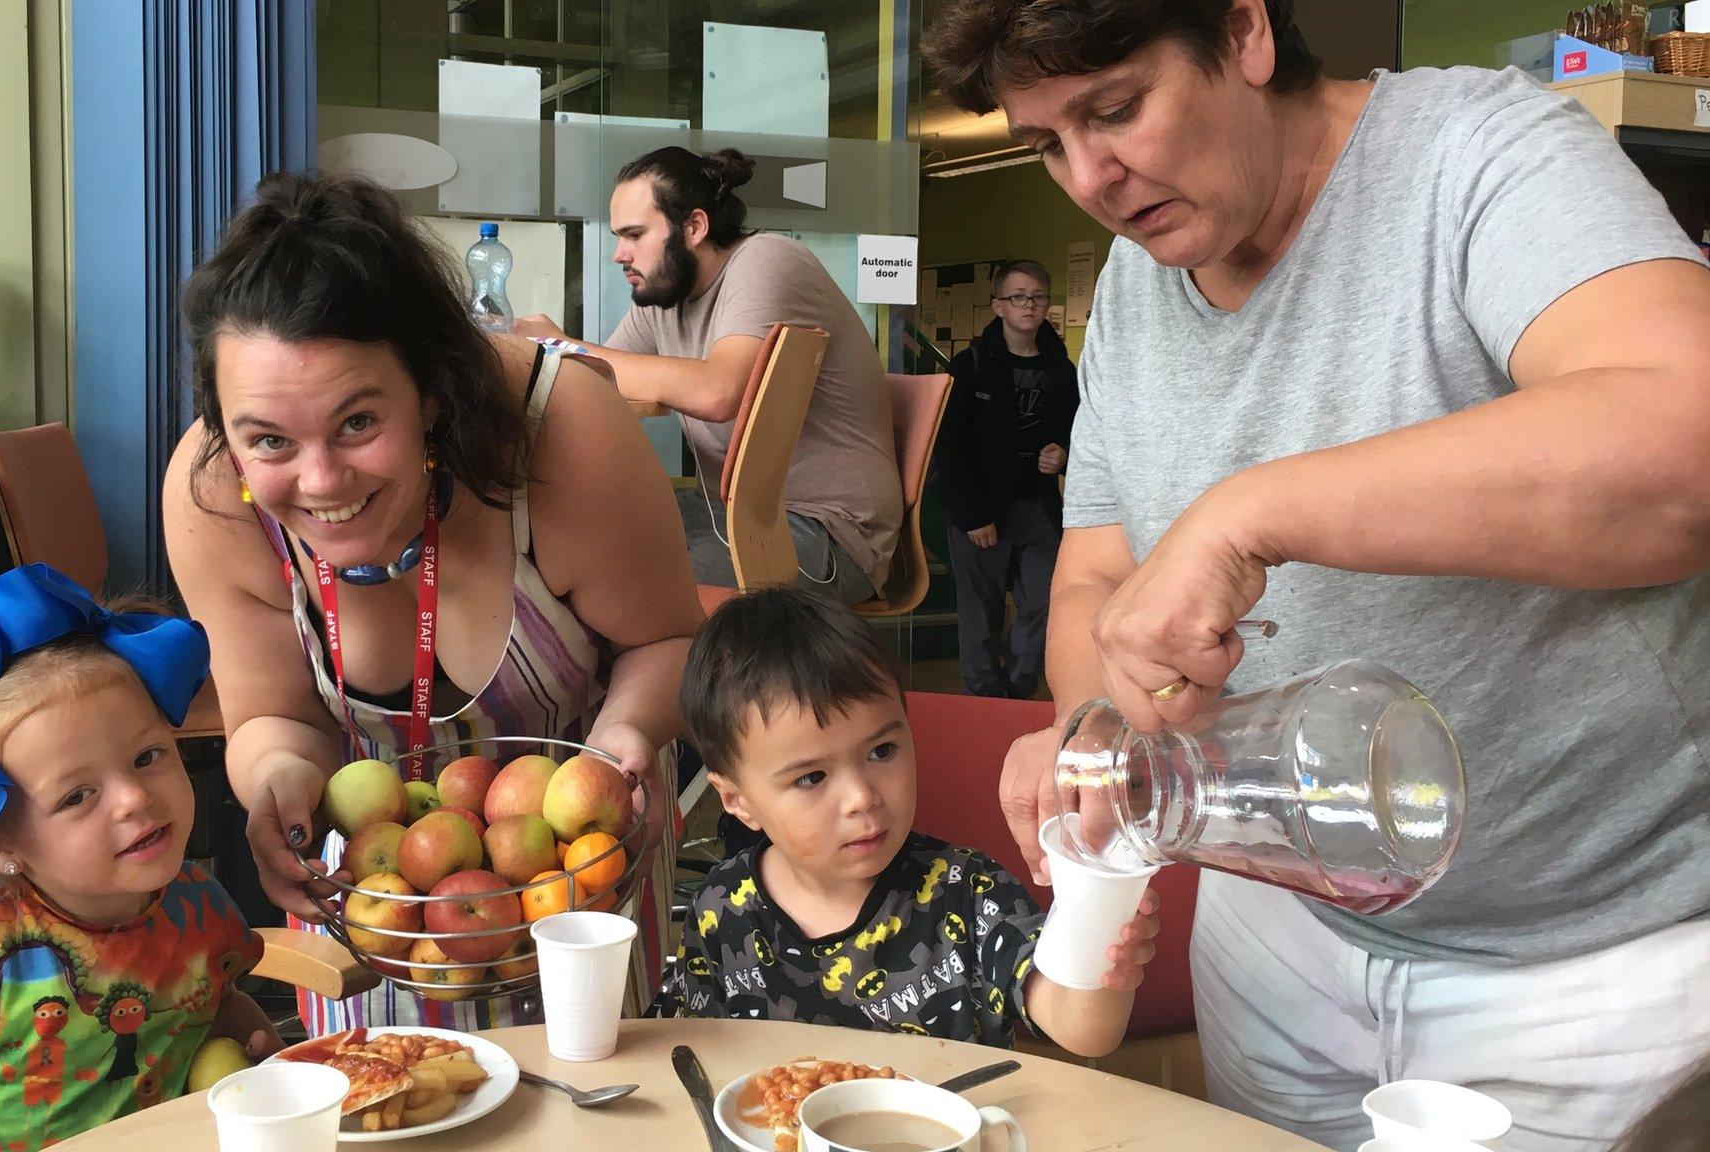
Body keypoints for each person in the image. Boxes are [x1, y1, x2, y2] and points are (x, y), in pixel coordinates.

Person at [926, 1, 1710, 1148]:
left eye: (1114, 108)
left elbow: (1682, 446)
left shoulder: (1473, 152)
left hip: (1578, 964)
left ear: (1243, 33)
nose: (1089, 177)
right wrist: (1094, 718)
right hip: (1281, 924)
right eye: (1048, 142)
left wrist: (1250, 513)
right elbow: (1096, 570)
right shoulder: (1143, 280)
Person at [163, 172, 700, 1036]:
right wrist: (278, 788)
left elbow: (670, 639)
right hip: (380, 904)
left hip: (580, 875)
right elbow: (271, 715)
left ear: (433, 394)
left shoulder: (563, 432)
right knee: (394, 1097)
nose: (321, 481)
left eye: (358, 423)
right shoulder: (215, 494)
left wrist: (624, 746)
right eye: (269, 440)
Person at [0, 565, 276, 1152]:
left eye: (146, 757)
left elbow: (209, 1007)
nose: (135, 799)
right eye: (76, 796)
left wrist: (262, 1049)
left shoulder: (200, 905)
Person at [667, 586, 1159, 1051]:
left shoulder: (967, 892)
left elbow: (1078, 1029)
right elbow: (693, 1056)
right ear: (737, 801)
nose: (862, 797)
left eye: (882, 750)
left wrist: (1105, 958)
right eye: (811, 778)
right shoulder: (720, 910)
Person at [514, 147, 901, 606]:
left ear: (694, 227)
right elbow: (596, 381)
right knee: (549, 546)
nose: (620, 254)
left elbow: (720, 392)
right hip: (725, 516)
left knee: (613, 579)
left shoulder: (768, 261)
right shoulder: (665, 299)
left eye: (635, 235)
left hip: (824, 532)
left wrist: (561, 344)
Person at [934, 259, 1078, 699]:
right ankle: (983, 700)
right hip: (982, 510)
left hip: (1037, 507)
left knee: (1039, 604)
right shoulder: (971, 365)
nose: (1029, 305)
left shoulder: (1061, 368)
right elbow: (950, 447)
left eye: (1037, 296)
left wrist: (1064, 452)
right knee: (981, 612)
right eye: (1019, 297)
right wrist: (972, 514)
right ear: (999, 305)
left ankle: (1019, 692)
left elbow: (1080, 428)